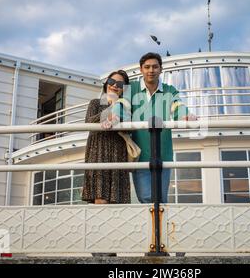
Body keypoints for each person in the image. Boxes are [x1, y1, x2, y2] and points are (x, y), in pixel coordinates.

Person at [128, 52, 197, 203]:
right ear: (141, 69)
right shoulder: (131, 88)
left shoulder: (169, 90)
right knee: (145, 198)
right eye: (147, 67)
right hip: (139, 155)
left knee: (161, 200)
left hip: (163, 154)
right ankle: (152, 227)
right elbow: (121, 106)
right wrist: (113, 116)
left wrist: (184, 115)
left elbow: (177, 104)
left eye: (154, 67)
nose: (151, 70)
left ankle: (161, 227)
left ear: (161, 69)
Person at [81, 70, 131, 204]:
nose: (114, 85)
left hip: (117, 153)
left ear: (124, 88)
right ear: (106, 83)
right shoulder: (95, 103)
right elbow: (88, 122)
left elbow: (129, 126)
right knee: (100, 199)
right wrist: (108, 112)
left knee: (118, 202)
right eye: (111, 81)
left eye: (119, 84)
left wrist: (118, 107)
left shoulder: (125, 106)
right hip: (98, 153)